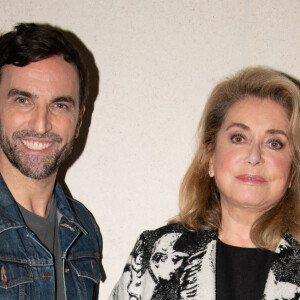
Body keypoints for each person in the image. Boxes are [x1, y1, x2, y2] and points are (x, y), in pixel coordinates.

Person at [110, 67, 300, 300]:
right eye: (238, 138)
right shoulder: (156, 253)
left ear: (293, 169)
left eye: (275, 143)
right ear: (211, 155)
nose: (254, 156)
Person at [0, 23, 101, 299]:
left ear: (79, 120)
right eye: (23, 100)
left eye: (59, 105)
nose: (42, 125)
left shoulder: (83, 229)